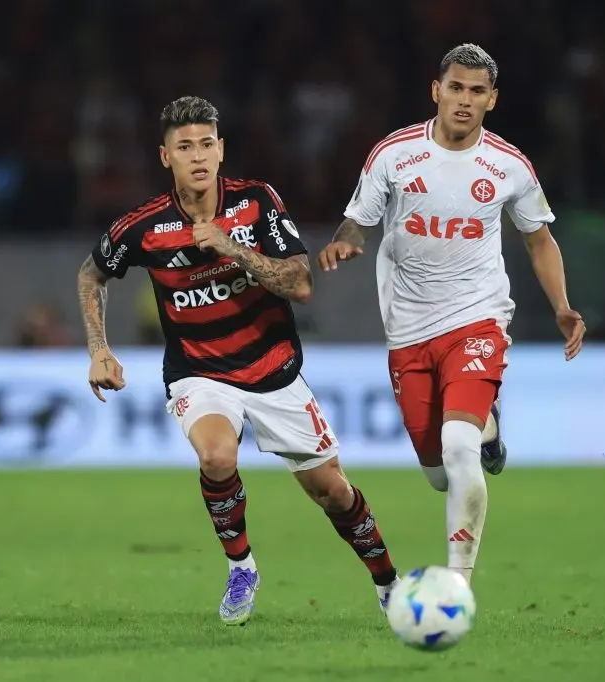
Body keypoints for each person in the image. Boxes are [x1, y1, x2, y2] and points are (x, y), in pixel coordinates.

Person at [77, 96, 399, 626]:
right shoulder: (145, 226)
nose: (198, 156)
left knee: (333, 492)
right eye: (185, 147)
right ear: (166, 157)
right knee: (217, 458)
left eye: (206, 144)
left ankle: (389, 584)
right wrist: (98, 348)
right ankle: (241, 566)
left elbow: (300, 285)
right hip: (199, 373)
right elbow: (92, 273)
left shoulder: (256, 203)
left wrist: (232, 249)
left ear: (221, 149)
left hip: (274, 371)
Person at [318, 44, 586, 584]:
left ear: (493, 99)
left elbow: (539, 241)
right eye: (456, 88)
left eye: (477, 91)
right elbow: (357, 221)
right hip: (409, 329)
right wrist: (344, 242)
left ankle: (457, 584)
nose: (465, 100)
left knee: (458, 449)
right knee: (440, 474)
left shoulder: (508, 166)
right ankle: (488, 425)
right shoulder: (394, 155)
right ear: (436, 91)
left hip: (477, 318)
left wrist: (562, 306)